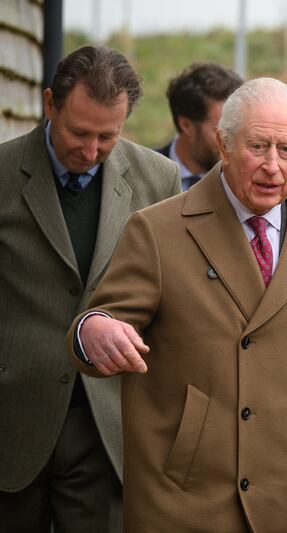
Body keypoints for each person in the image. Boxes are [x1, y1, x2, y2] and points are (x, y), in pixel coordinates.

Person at [66, 77, 287, 532]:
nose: (272, 166)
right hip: (188, 498)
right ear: (223, 146)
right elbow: (99, 321)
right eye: (258, 146)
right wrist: (94, 331)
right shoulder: (159, 230)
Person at [0, 45, 181, 532]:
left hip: (109, 426)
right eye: (79, 133)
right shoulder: (1, 172)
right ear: (49, 105)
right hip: (11, 420)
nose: (91, 150)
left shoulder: (159, 179)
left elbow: (174, 300)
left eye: (108, 137)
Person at [155, 62, 243, 191]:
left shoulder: (248, 180)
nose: (234, 144)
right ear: (186, 125)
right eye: (223, 132)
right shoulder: (144, 173)